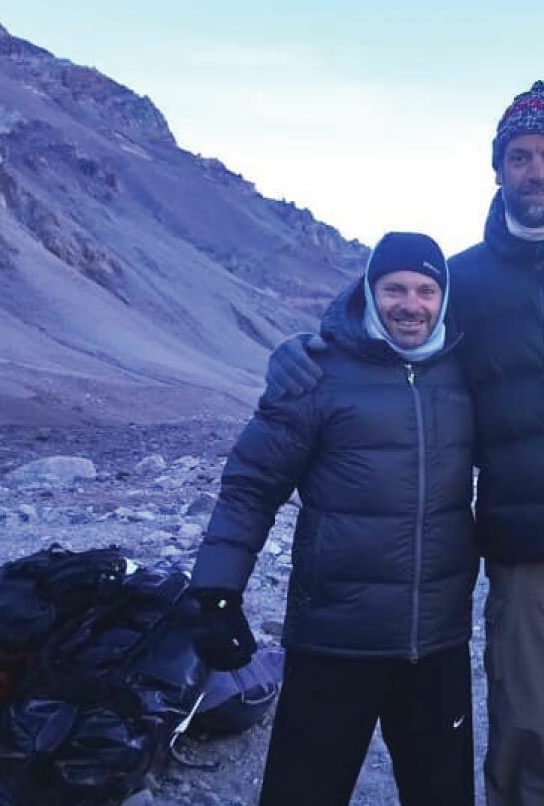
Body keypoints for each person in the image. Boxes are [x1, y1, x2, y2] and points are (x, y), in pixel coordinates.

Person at [268, 80, 544, 805]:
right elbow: (384, 326)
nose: (535, 171)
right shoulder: (467, 280)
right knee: (530, 742)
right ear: (498, 169)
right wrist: (306, 348)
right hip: (527, 554)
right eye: (519, 156)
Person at [190, 232, 479, 806]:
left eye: (426, 290)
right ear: (370, 293)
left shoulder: (465, 372)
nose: (411, 304)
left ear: (443, 299)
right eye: (394, 288)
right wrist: (217, 592)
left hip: (436, 642)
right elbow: (251, 486)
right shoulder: (317, 374)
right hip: (335, 640)